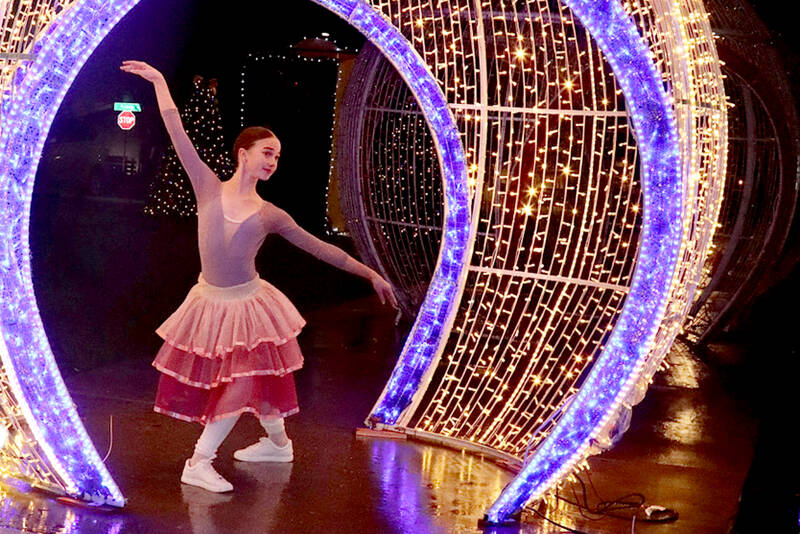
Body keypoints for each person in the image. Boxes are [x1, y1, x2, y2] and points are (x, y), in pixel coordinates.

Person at [120, 60, 398, 493]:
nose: (273, 161)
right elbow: (176, 130)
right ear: (243, 154)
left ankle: (199, 461)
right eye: (267, 152)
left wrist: (370, 274)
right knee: (262, 378)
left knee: (248, 378)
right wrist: (158, 81)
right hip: (209, 302)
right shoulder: (208, 187)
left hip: (249, 304)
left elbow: (321, 248)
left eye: (277, 156)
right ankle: (279, 445)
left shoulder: (271, 214)